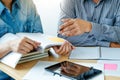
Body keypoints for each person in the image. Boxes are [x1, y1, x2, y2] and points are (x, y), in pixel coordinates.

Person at [0, 0, 74, 79]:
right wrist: (9, 45)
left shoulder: (27, 3)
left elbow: (39, 37)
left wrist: (52, 45)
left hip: (32, 71)